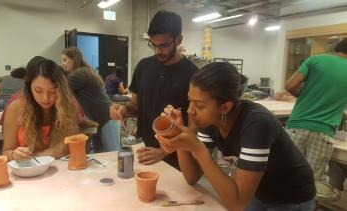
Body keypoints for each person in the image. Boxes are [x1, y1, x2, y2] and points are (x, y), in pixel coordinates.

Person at [156, 62, 316, 210]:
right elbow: (192, 177)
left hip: (291, 197)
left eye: (199, 105)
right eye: (190, 101)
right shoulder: (211, 120)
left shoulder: (257, 124)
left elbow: (237, 204)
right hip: (258, 191)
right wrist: (180, 135)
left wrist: (198, 150)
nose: (190, 110)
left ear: (225, 107)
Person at [110, 10, 198, 169]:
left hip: (176, 160)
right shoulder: (144, 66)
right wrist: (123, 109)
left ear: (179, 40)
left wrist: (164, 151)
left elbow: (193, 128)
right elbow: (135, 106)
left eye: (163, 45)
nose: (158, 51)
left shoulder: (194, 75)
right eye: (153, 45)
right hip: (143, 151)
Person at [285, 38, 347, 183]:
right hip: (324, 131)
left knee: (287, 173)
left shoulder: (315, 60)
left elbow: (290, 85)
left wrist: (306, 97)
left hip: (296, 126)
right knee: (313, 181)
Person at [2, 57, 79, 161]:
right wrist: (14, 155)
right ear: (29, 87)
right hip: (27, 172)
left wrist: (34, 157)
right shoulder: (15, 108)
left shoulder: (68, 107)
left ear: (61, 89)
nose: (46, 98)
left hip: (59, 170)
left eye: (53, 91)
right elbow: (6, 152)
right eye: (38, 91)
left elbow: (68, 147)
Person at [61, 47, 120, 152]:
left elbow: (61, 92)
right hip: (103, 117)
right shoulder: (85, 71)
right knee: (102, 155)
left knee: (113, 155)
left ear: (73, 59)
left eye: (65, 60)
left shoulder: (78, 74)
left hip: (106, 117)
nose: (63, 64)